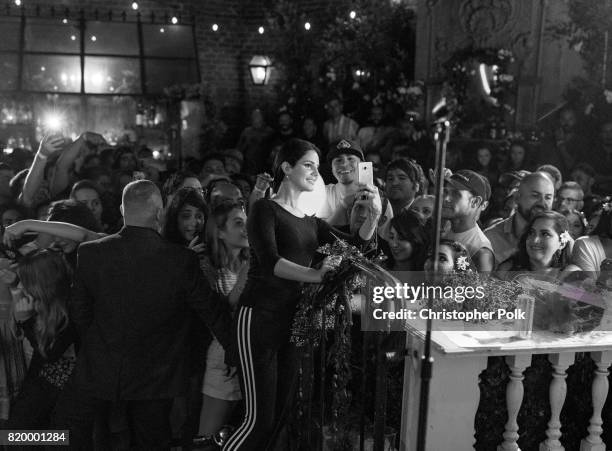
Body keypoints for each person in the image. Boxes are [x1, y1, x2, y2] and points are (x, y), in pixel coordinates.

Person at [222, 138, 381, 451]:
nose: (315, 172)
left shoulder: (311, 222)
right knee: (258, 419)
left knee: (281, 414)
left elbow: (353, 248)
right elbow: (270, 263)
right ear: (286, 168)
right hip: (260, 317)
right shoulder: (264, 210)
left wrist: (373, 215)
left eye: (317, 168)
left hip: (295, 322)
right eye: (308, 165)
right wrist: (315, 275)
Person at [53, 180, 235, 450]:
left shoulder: (91, 253)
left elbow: (80, 312)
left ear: (122, 210)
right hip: (158, 375)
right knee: (151, 442)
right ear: (160, 213)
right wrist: (235, 350)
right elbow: (210, 310)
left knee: (96, 437)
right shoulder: (179, 259)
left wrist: (103, 343)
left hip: (103, 369)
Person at [6, 250, 77, 432]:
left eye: (25, 282)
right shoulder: (43, 303)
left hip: (62, 386)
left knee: (21, 435)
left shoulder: (71, 308)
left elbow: (50, 354)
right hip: (42, 380)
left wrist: (26, 321)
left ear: (41, 283)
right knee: (14, 434)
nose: (21, 286)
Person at [197, 201, 248, 442]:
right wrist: (248, 273)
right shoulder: (209, 267)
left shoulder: (248, 264)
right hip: (223, 355)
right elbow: (222, 311)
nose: (246, 228)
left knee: (235, 435)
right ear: (219, 231)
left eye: (247, 223)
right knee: (209, 434)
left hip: (247, 356)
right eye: (238, 223)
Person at [485, 172, 555, 270]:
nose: (542, 203)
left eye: (548, 197)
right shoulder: (491, 238)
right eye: (535, 195)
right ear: (517, 198)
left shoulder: (562, 240)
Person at [442, 170, 494, 271]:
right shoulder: (446, 226)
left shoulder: (480, 251)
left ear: (475, 202)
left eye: (456, 194)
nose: (446, 198)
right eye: (445, 192)